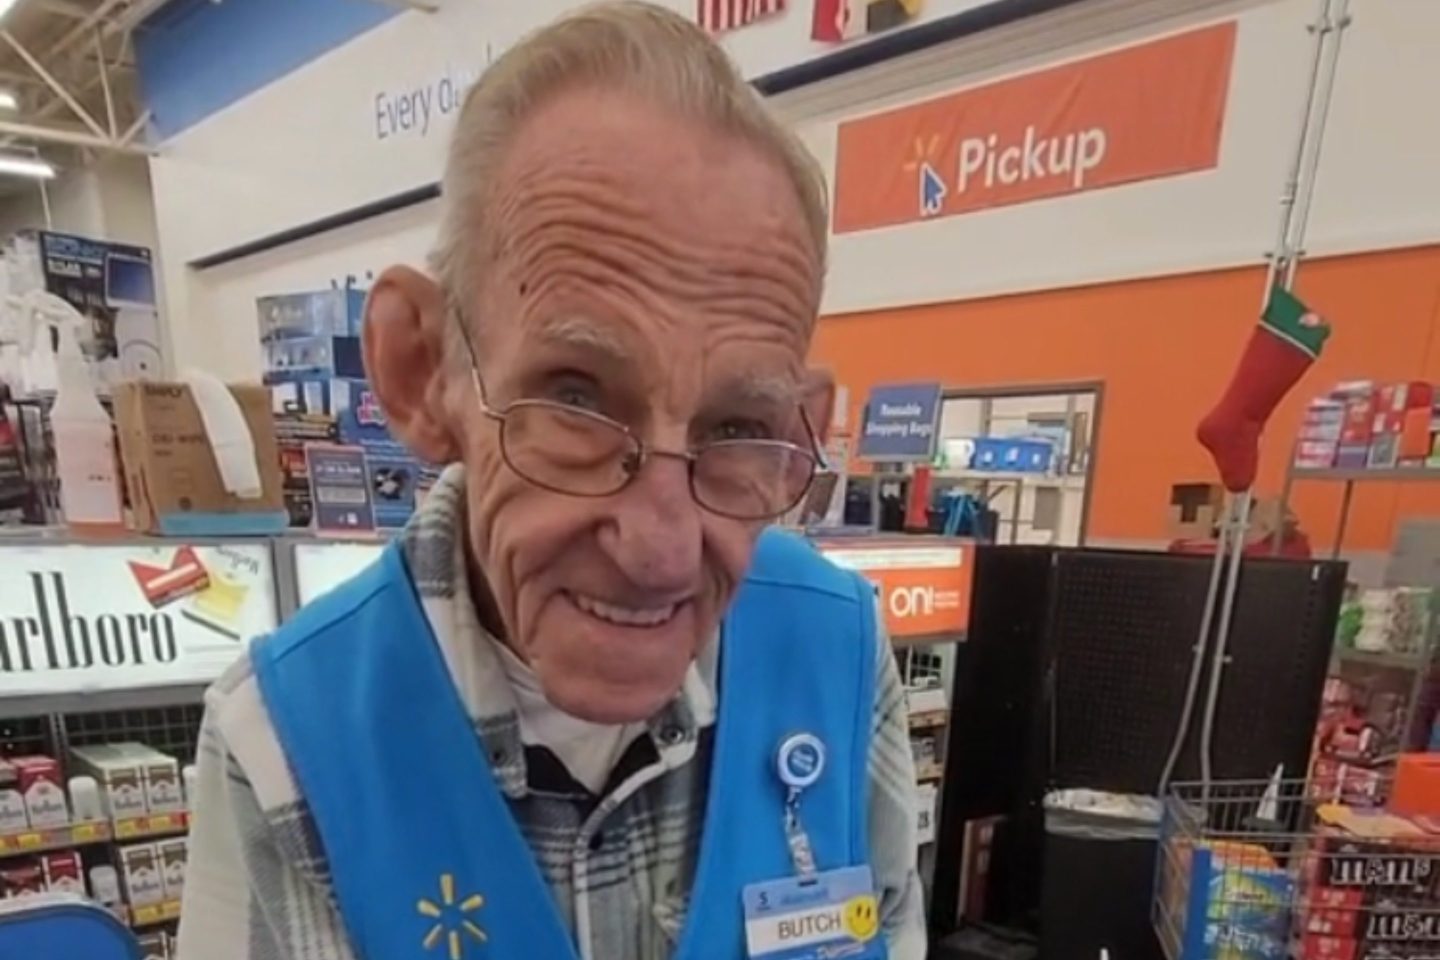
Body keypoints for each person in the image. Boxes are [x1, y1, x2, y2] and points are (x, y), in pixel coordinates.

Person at [175, 4, 925, 959]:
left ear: (798, 430)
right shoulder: (284, 747)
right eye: (576, 398)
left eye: (737, 428)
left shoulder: (843, 658)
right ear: (422, 374)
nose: (661, 550)